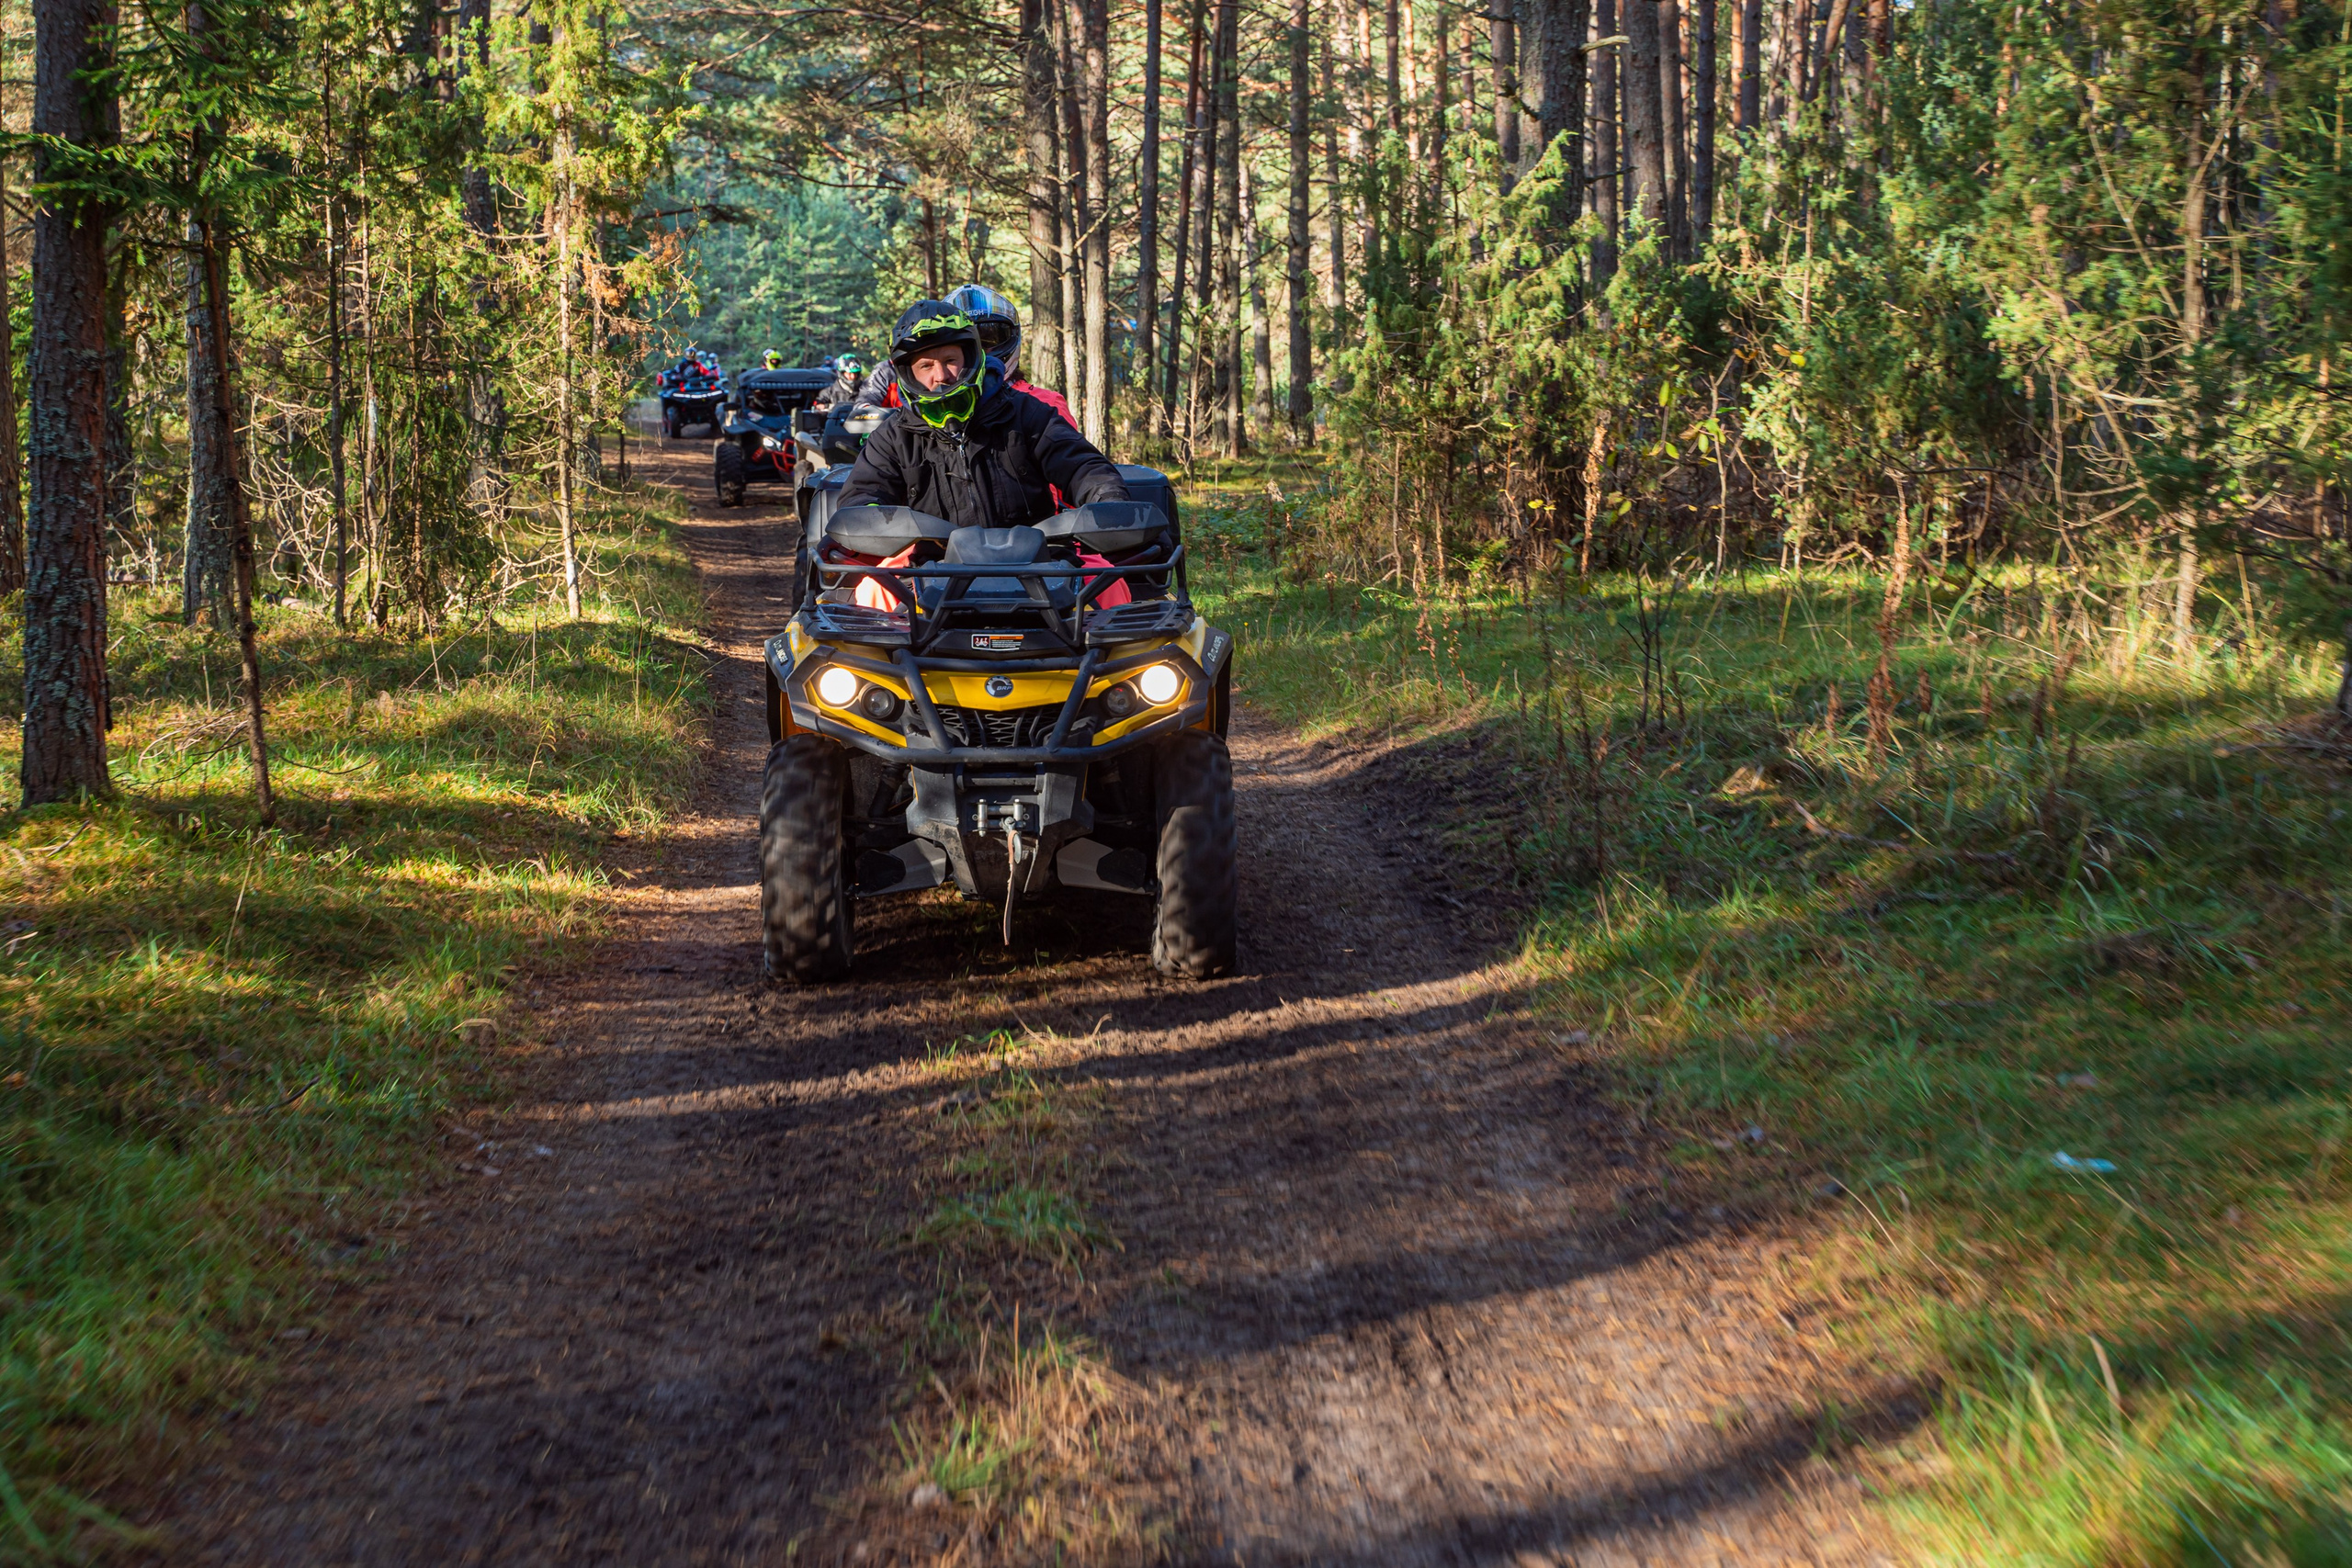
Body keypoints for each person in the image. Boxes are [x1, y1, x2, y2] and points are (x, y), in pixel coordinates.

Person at [837, 303, 1127, 531]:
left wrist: (1107, 501)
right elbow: (863, 494)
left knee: (1114, 588)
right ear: (906, 374)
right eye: (925, 366)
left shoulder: (1027, 413)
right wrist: (872, 524)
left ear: (972, 359)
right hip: (928, 577)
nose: (941, 376)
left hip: (1039, 570)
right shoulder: (893, 436)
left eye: (950, 361)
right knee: (868, 593)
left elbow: (1082, 467)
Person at [944, 282, 1075, 430]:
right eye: (967, 346)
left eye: (989, 340)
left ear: (1013, 335)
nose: (982, 353)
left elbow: (1071, 452)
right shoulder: (939, 410)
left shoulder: (1045, 404)